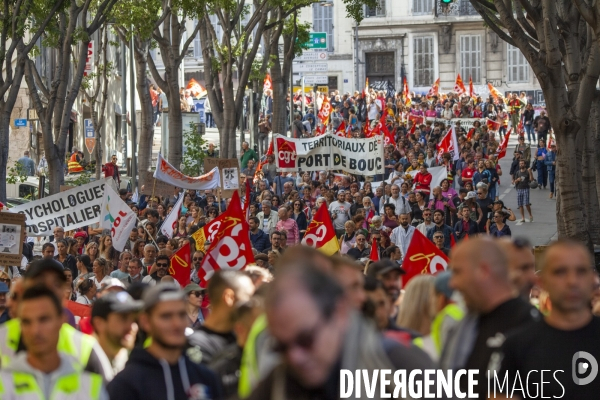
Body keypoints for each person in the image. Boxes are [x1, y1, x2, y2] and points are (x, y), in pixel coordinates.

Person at [246, 259, 434, 399]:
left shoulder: (397, 359)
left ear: (339, 312)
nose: (295, 356)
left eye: (307, 340)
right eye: (281, 347)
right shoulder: (282, 379)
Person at [490, 240, 600, 399]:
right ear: (541, 282)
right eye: (560, 272)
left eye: (581, 271)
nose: (572, 281)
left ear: (592, 279)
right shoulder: (516, 346)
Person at [441, 238, 540, 399]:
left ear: (484, 271)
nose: (452, 283)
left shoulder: (529, 326)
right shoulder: (464, 325)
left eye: (458, 272)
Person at [107, 283, 222, 400]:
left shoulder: (206, 378)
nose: (176, 324)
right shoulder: (125, 385)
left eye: (182, 315)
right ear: (145, 321)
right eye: (166, 316)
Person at [0, 259, 111, 379]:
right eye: (40, 283)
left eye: (56, 284)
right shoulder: (3, 337)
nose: (48, 290)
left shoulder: (86, 349)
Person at [0, 285, 108, 399]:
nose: (35, 330)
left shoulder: (90, 385)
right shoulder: (4, 382)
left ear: (62, 320)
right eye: (27, 322)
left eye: (44, 319)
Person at [188, 270, 255, 365]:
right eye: (248, 296)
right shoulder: (195, 345)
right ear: (229, 297)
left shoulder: (244, 339)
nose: (253, 303)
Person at [91, 291, 142, 378]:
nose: (133, 327)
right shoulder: (78, 364)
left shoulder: (139, 365)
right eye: (123, 318)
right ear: (99, 324)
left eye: (134, 319)